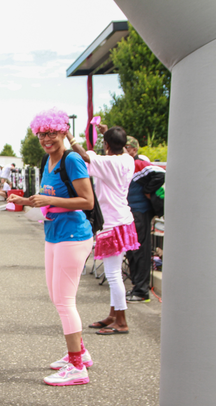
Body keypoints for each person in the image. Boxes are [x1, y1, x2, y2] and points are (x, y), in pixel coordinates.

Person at [7, 108, 94, 386]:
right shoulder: (47, 160)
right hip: (53, 235)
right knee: (58, 299)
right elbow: (48, 199)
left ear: (63, 132)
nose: (46, 139)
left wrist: (47, 201)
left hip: (73, 236)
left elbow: (87, 201)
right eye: (42, 134)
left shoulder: (73, 161)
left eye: (52, 133)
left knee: (65, 301)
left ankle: (78, 367)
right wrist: (24, 201)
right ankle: (79, 353)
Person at [70, 125, 140, 335]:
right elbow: (112, 148)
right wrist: (105, 132)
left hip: (111, 224)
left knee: (113, 275)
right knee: (114, 273)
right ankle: (113, 315)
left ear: (107, 145)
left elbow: (84, 155)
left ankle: (121, 321)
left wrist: (69, 135)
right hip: (123, 221)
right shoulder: (127, 159)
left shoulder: (108, 162)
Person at [124, 136, 165, 302]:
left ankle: (142, 291)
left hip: (140, 212)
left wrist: (148, 191)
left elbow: (161, 173)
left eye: (126, 148)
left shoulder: (138, 164)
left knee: (140, 251)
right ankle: (136, 287)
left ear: (134, 150)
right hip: (130, 213)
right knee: (132, 252)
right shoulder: (125, 166)